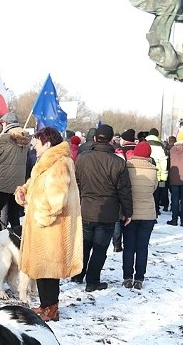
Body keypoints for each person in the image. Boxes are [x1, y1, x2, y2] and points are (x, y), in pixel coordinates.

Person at [14, 127, 83, 321]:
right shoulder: (46, 162)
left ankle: (51, 309)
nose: (34, 145)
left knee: (49, 270)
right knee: (42, 269)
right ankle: (46, 305)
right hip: (43, 228)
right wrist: (24, 191)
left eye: (37, 141)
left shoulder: (59, 163)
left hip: (51, 228)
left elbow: (56, 200)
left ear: (47, 143)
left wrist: (41, 216)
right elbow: (36, 184)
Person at [73, 124, 133, 291]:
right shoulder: (118, 162)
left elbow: (76, 183)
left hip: (85, 208)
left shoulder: (82, 158)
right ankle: (92, 281)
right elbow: (124, 190)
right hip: (107, 211)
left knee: (84, 245)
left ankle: (78, 274)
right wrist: (128, 212)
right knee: (99, 249)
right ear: (112, 139)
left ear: (94, 138)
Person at [122, 141, 158, 289]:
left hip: (129, 213)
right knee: (142, 247)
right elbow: (154, 188)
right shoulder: (153, 170)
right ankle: (139, 278)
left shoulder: (127, 168)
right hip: (148, 214)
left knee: (129, 246)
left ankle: (127, 277)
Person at [0, 115, 29, 237]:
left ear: (6, 123)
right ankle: (18, 238)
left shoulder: (6, 138)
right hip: (18, 182)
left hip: (4, 181)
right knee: (13, 213)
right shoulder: (26, 138)